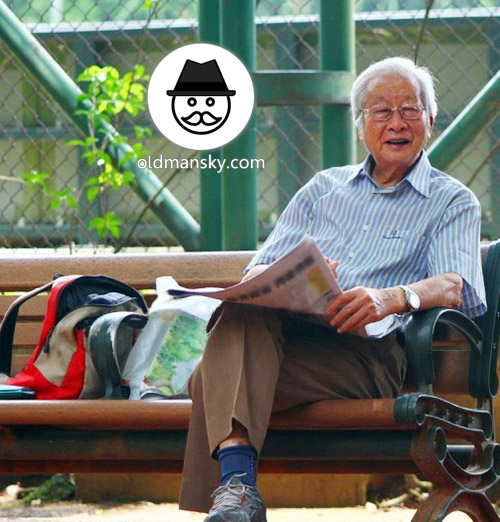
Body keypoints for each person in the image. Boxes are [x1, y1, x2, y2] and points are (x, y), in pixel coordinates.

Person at [178, 56, 487, 522]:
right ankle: (239, 494)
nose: (397, 122)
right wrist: (297, 282)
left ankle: (235, 486)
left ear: (430, 119)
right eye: (382, 111)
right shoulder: (323, 188)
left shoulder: (451, 200)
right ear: (361, 123)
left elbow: (454, 284)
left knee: (209, 379)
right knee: (241, 315)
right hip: (289, 338)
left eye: (410, 109)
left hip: (366, 356)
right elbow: (260, 269)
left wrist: (389, 297)